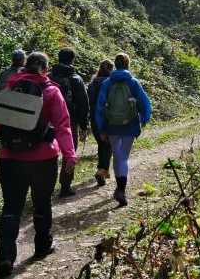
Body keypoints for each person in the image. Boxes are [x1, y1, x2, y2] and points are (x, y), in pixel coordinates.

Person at [0, 52, 77, 277]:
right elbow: (63, 125)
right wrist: (70, 155)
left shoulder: (9, 88)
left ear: (24, 67)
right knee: (42, 203)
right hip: (43, 159)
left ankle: (6, 257)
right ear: (46, 69)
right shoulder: (51, 91)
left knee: (11, 207)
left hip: (9, 158)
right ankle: (42, 245)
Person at [94, 53, 152, 206]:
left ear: (116, 64)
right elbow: (144, 102)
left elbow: (99, 107)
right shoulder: (133, 83)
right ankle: (121, 190)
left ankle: (119, 189)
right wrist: (145, 118)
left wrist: (101, 127)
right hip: (130, 124)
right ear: (127, 65)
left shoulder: (107, 83)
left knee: (117, 156)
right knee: (123, 157)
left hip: (112, 126)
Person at [49, 48, 90, 198]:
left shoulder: (48, 76)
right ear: (72, 60)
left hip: (48, 122)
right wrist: (84, 124)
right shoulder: (75, 78)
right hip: (69, 122)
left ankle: (45, 185)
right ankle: (65, 186)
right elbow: (83, 104)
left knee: (49, 152)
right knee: (69, 153)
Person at [87, 59, 114, 187]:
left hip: (94, 119)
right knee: (107, 145)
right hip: (107, 119)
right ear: (111, 69)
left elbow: (89, 103)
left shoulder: (92, 84)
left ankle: (101, 169)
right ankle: (101, 171)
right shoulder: (111, 83)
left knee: (101, 144)